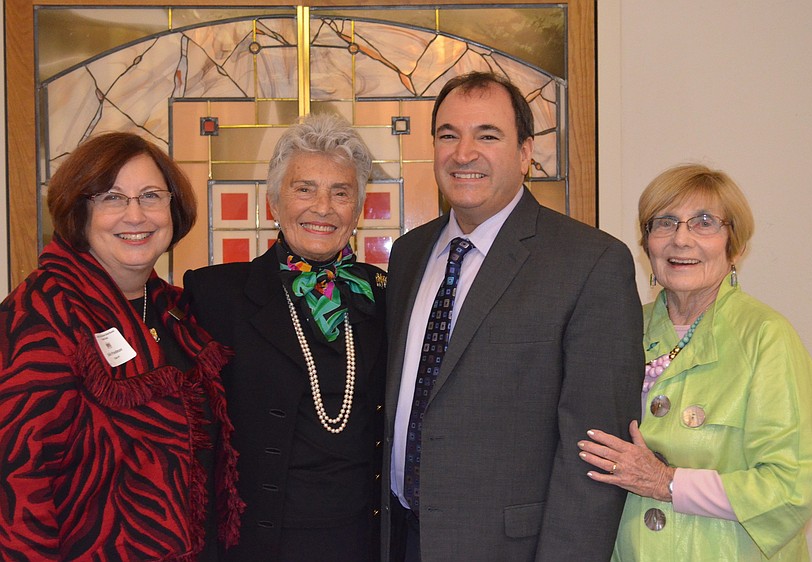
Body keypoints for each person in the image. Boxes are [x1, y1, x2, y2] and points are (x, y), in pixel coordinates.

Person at [382, 71, 644, 561]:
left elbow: (596, 458)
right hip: (401, 541)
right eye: (448, 135)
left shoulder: (591, 263)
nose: (464, 153)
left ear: (526, 153)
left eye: (487, 135)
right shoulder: (409, 254)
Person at [0, 132, 243, 560]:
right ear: (80, 211)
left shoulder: (176, 310)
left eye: (151, 195)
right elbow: (18, 481)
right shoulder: (42, 314)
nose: (136, 215)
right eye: (111, 198)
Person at [578, 164, 812, 560]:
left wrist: (667, 482)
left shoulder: (766, 337)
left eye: (704, 222)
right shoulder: (616, 328)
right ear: (646, 245)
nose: (681, 239)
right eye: (665, 222)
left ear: (735, 245)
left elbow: (790, 488)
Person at [183, 114, 386, 561]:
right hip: (259, 544)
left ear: (358, 208)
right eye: (304, 188)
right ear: (275, 201)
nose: (323, 207)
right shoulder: (216, 296)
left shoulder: (384, 294)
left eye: (341, 192)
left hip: (364, 541)